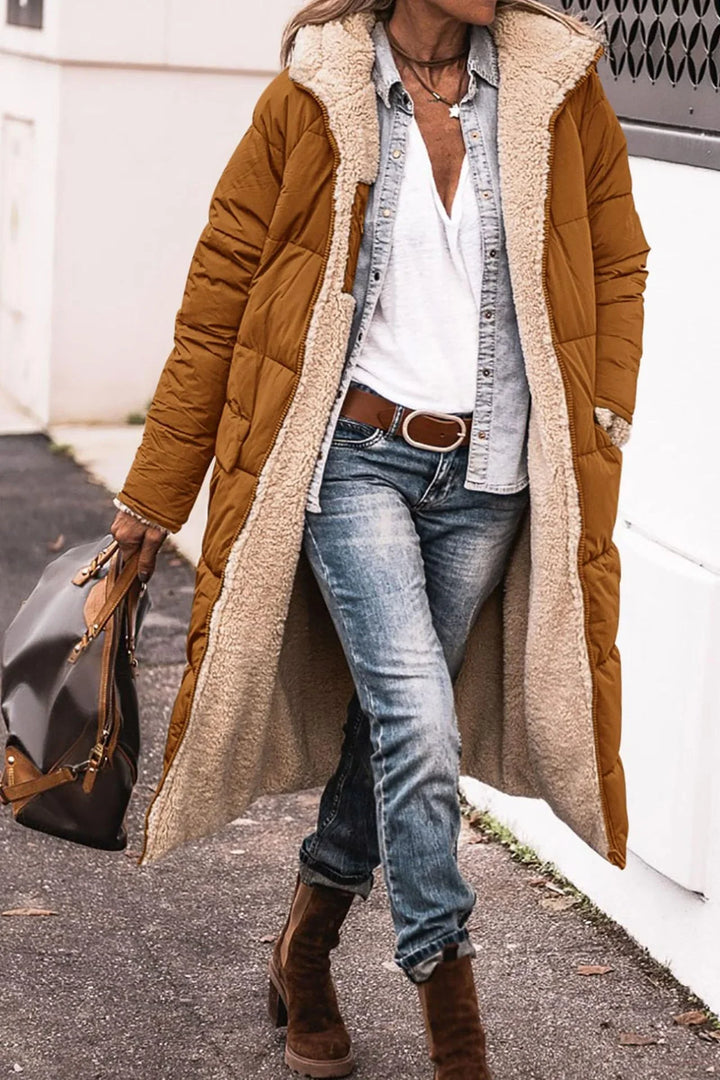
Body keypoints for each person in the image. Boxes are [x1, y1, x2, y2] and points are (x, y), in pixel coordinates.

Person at [110, 0, 650, 1075]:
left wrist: (601, 411)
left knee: (396, 729)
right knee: (418, 720)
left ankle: (306, 948)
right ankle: (456, 1027)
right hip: (354, 461)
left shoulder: (557, 88)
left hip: (489, 473)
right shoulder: (316, 95)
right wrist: (152, 497)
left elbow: (618, 259)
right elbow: (219, 298)